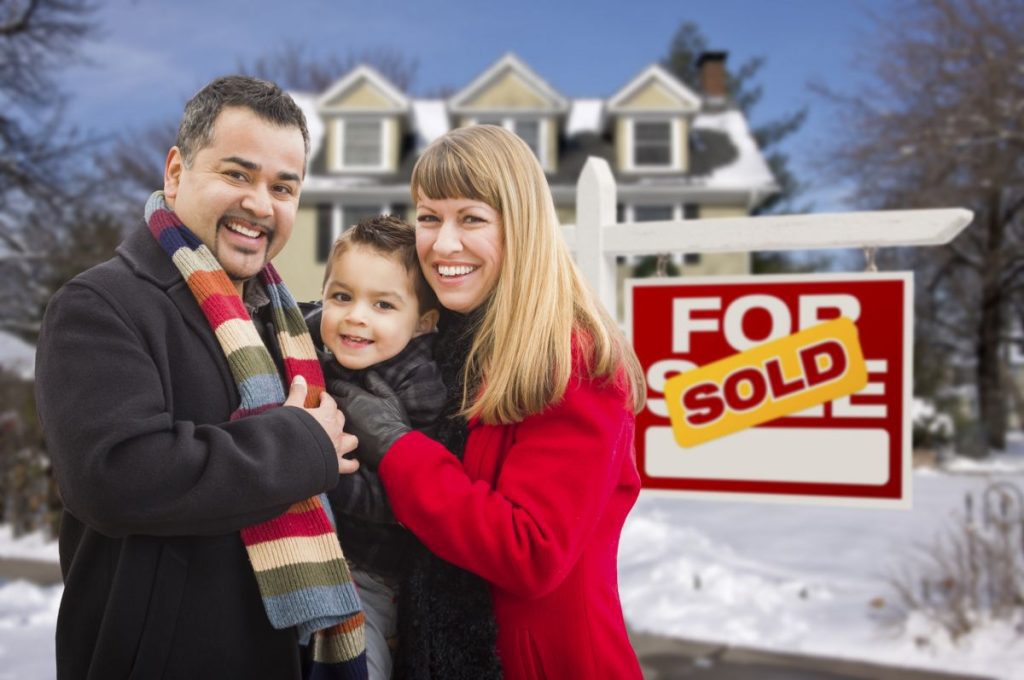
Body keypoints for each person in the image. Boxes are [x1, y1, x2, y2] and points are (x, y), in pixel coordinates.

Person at [34, 76, 369, 680]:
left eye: (283, 187)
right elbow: (115, 477)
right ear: (176, 171)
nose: (261, 205)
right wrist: (300, 443)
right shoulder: (99, 305)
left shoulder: (289, 324)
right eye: (237, 175)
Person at [335, 124, 648, 680]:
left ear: (520, 226)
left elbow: (531, 552)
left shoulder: (571, 360)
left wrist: (395, 445)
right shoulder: (446, 339)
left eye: (471, 218)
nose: (443, 243)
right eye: (429, 217)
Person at [314, 215, 443, 680]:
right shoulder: (316, 346)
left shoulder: (418, 382)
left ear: (424, 323)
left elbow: (403, 499)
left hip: (373, 571)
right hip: (320, 553)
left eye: (383, 304)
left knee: (356, 665)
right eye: (342, 296)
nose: (356, 316)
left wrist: (324, 478)